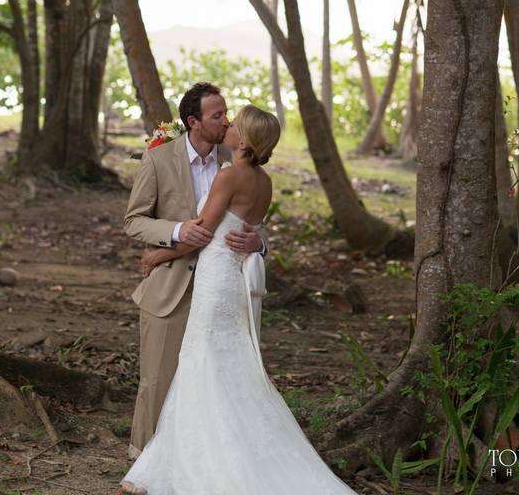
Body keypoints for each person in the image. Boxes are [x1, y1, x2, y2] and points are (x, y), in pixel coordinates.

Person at [120, 105, 358, 495]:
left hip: (215, 280)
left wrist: (156, 256)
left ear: (244, 141)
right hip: (232, 281)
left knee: (203, 364)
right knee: (224, 366)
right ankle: (178, 456)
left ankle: (206, 465)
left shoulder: (229, 177)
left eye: (235, 125)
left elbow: (202, 232)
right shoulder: (264, 181)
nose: (227, 126)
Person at [123, 83, 268, 460]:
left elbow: (246, 220)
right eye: (217, 115)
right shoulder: (158, 159)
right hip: (171, 285)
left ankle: (198, 461)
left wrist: (260, 244)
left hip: (219, 287)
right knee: (157, 380)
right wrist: (173, 232)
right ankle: (144, 459)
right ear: (193, 122)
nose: (226, 120)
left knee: (211, 379)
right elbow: (134, 221)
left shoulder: (236, 159)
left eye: (226, 113)